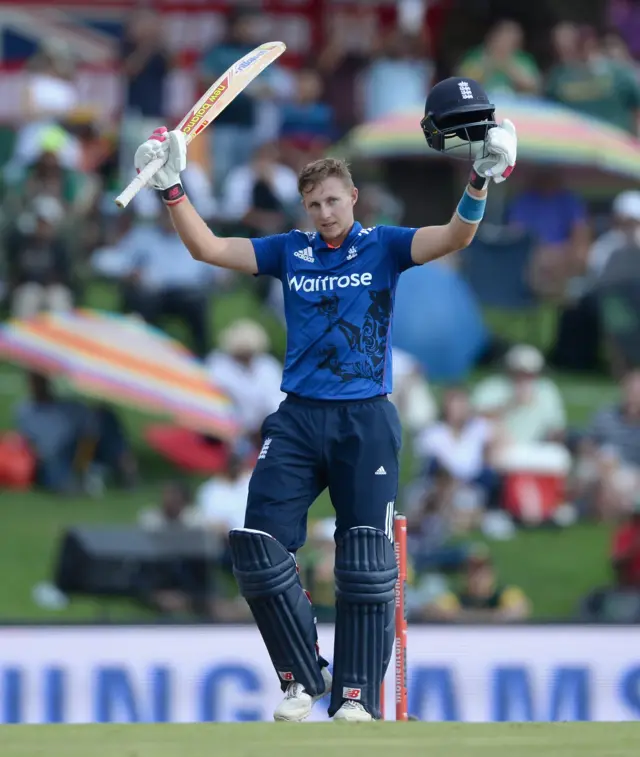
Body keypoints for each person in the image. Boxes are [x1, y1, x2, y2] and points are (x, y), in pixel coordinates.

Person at [131, 76, 517, 723]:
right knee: (258, 543)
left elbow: (454, 238)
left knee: (365, 557)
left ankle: (357, 697)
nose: (326, 213)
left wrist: (478, 182)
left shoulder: (385, 245)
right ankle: (301, 678)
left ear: (353, 198)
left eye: (334, 201)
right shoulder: (292, 251)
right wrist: (173, 186)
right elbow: (206, 247)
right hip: (301, 415)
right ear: (305, 206)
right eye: (315, 204)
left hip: (366, 416)